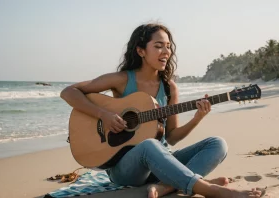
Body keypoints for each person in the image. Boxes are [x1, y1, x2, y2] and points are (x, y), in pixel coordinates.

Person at [60, 23, 263, 198]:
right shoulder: (121, 80)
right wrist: (104, 115)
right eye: (158, 46)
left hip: (161, 163)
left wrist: (197, 118)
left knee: (218, 144)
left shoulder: (169, 88)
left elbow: (172, 137)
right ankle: (213, 190)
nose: (166, 52)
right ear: (141, 51)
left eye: (168, 47)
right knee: (148, 145)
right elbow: (69, 92)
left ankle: (167, 186)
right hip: (127, 168)